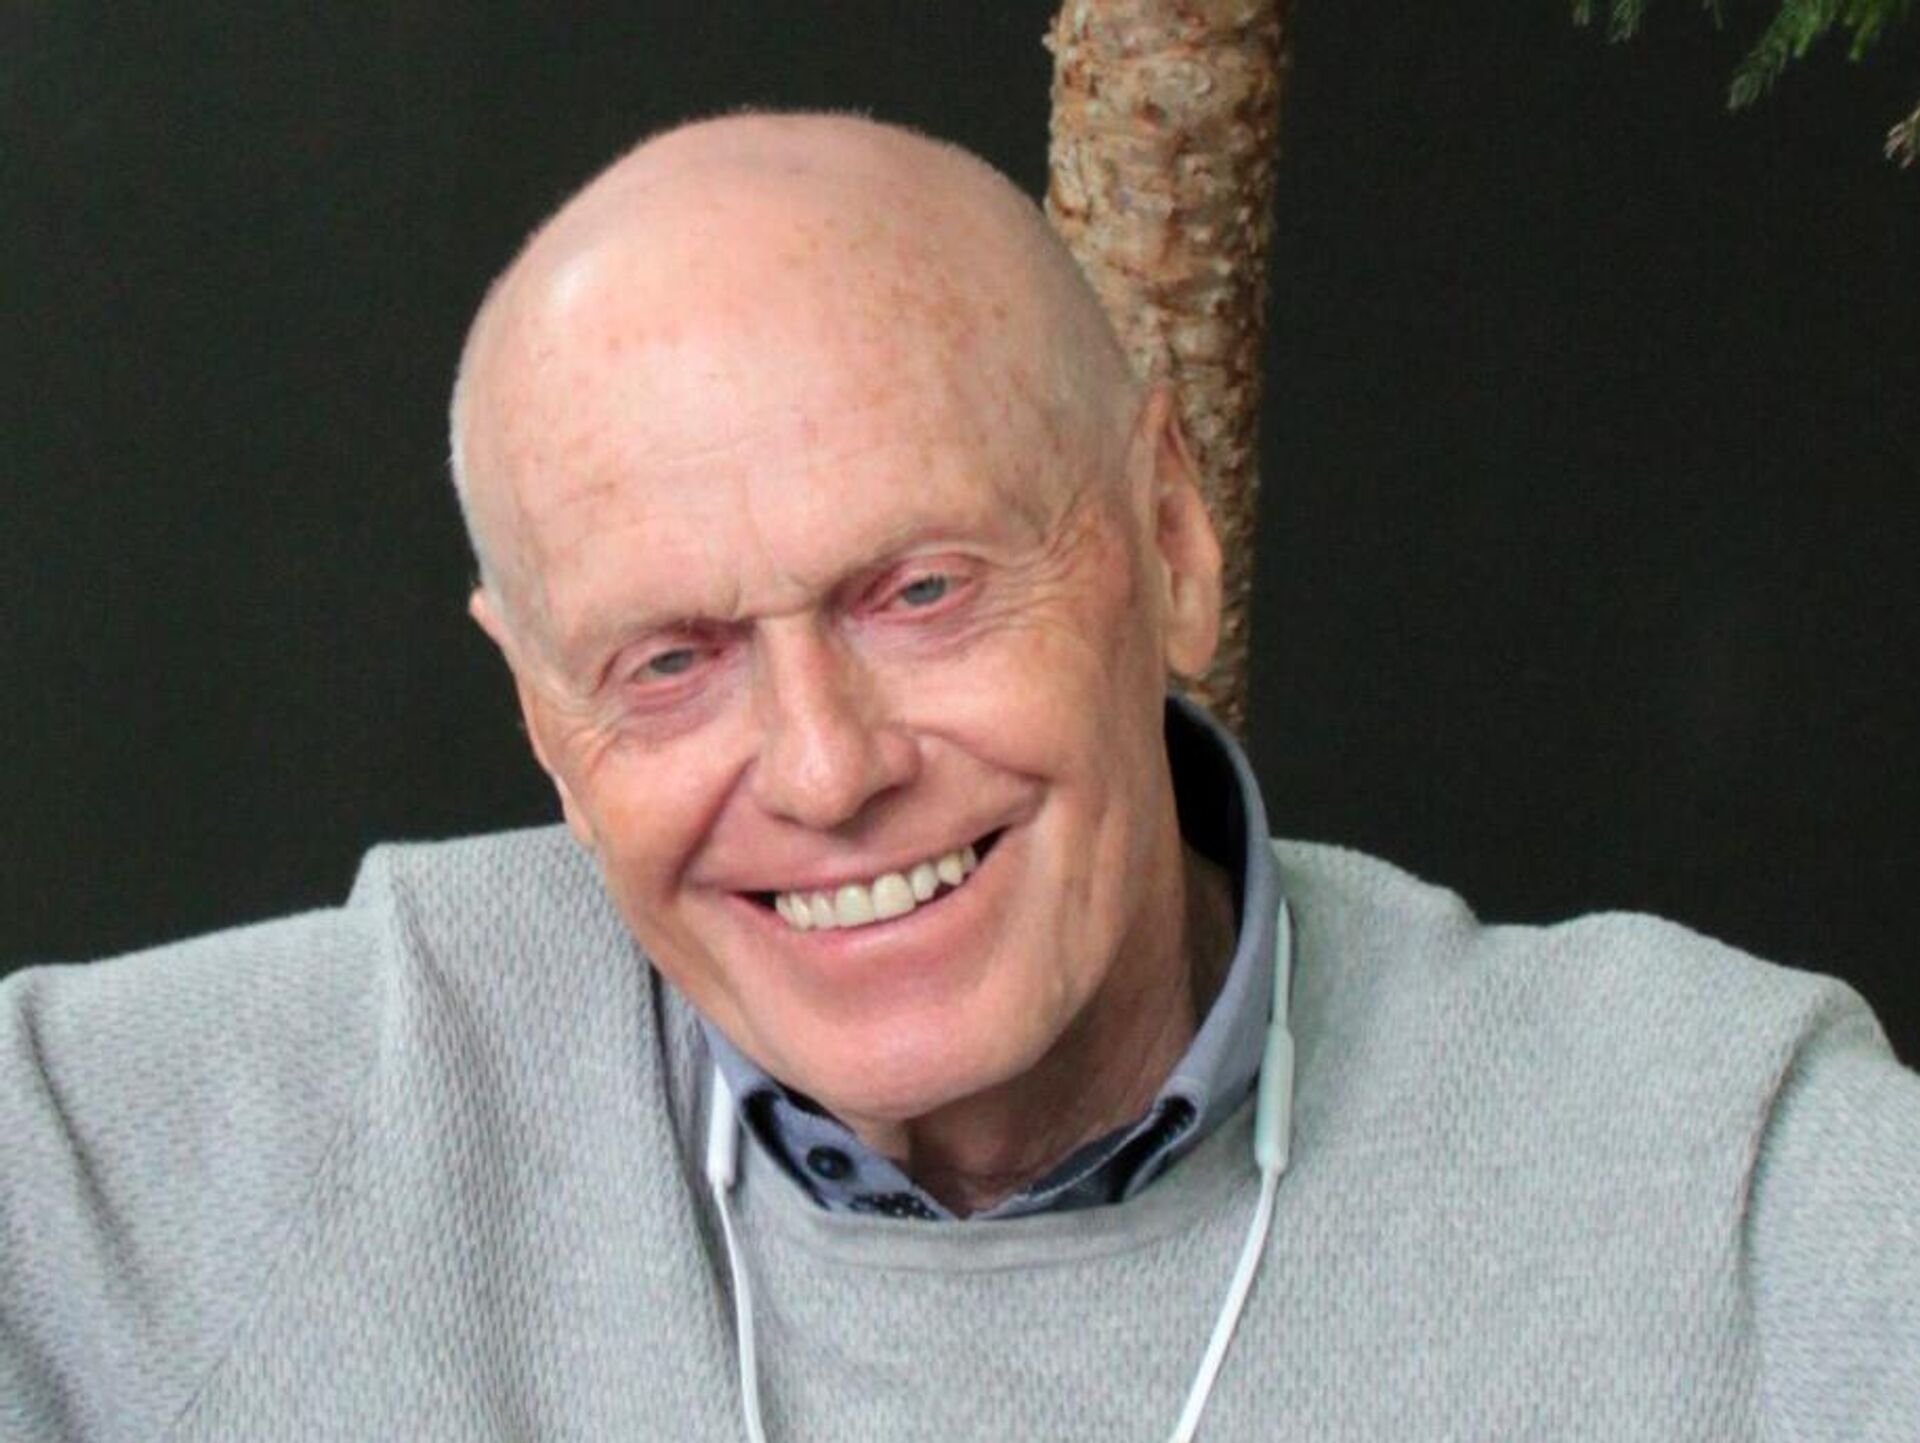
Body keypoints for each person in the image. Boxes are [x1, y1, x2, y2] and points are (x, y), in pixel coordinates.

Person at [3, 113, 1915, 1442]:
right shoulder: (152, 1156)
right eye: (669, 664)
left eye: (919, 592)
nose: (826, 770)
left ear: (1171, 540)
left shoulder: (1727, 1181)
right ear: (542, 725)